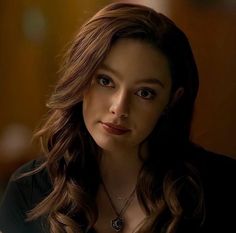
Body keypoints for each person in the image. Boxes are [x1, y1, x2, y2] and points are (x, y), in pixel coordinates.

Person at [0, 2, 235, 233]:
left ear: (172, 100)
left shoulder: (222, 187)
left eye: (145, 93)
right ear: (81, 78)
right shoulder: (28, 190)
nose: (119, 107)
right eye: (105, 81)